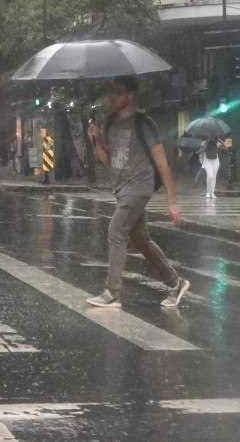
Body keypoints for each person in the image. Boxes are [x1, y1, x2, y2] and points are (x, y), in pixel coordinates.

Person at [85, 75, 190, 310]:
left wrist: (171, 201)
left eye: (118, 92)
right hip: (121, 189)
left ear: (130, 95)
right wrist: (96, 141)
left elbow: (162, 163)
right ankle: (176, 283)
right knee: (141, 240)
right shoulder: (110, 122)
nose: (113, 97)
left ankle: (112, 293)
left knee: (116, 232)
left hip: (139, 188)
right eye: (112, 92)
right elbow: (109, 161)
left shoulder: (145, 124)